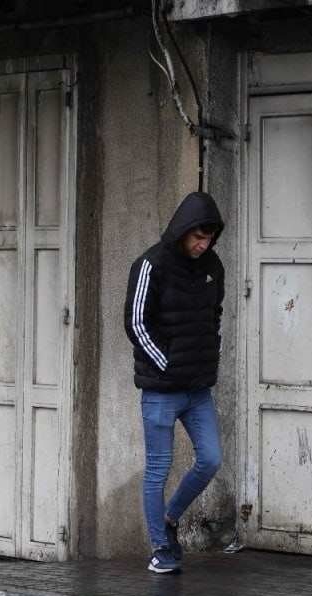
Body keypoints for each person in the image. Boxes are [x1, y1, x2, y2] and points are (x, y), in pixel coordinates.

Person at [124, 191, 226, 574]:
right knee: (158, 470)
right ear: (183, 231)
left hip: (198, 389)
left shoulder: (212, 265)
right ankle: (160, 548)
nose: (203, 245)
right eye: (198, 238)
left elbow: (215, 315)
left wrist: (210, 356)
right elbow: (136, 323)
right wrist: (167, 365)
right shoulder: (150, 265)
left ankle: (169, 517)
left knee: (211, 459)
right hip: (161, 390)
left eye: (209, 239)